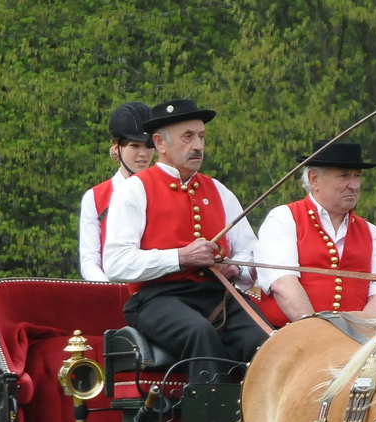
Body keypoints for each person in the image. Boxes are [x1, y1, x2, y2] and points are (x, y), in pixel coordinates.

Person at [102, 97, 263, 382]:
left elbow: (252, 253)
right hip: (157, 299)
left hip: (218, 295)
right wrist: (181, 257)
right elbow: (116, 263)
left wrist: (235, 268)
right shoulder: (135, 190)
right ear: (160, 143)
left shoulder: (219, 190)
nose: (198, 146)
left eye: (201, 136)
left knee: (264, 338)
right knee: (199, 333)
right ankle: (209, 410)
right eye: (188, 137)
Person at [257, 141, 376, 325]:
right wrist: (316, 332)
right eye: (344, 176)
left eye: (357, 176)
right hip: (288, 334)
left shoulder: (374, 234)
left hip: (356, 338)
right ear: (314, 179)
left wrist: (357, 332)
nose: (354, 185)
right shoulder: (284, 219)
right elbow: (283, 283)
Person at [79, 102, 157, 282]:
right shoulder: (95, 197)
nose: (143, 154)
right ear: (116, 146)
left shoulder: (167, 189)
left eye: (148, 145)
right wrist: (111, 289)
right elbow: (90, 261)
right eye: (135, 146)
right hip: (113, 287)